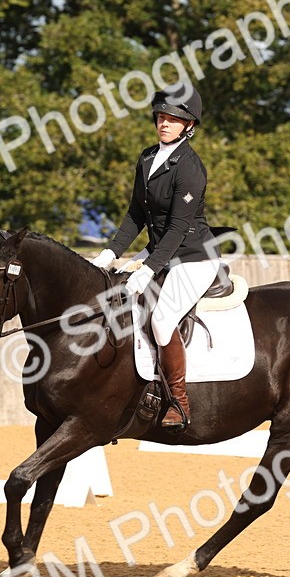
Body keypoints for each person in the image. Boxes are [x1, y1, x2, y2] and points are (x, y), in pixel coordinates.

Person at [89, 83, 220, 430]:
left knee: (161, 320)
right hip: (161, 252)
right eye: (161, 116)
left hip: (194, 256)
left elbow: (177, 228)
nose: (165, 123)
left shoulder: (190, 167)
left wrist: (148, 267)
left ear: (188, 125)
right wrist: (110, 254)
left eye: (173, 119)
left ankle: (179, 400)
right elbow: (135, 215)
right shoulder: (147, 158)